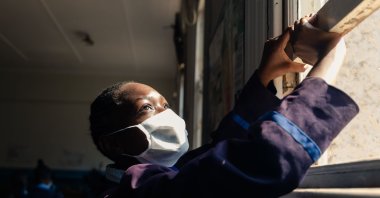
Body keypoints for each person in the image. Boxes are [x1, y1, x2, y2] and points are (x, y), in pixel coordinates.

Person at [89, 15, 358, 197]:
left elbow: (219, 153)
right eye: (146, 108)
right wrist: (328, 59)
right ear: (112, 145)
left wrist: (264, 77)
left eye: (166, 105)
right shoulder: (137, 190)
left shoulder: (163, 174)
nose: (166, 115)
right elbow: (258, 162)